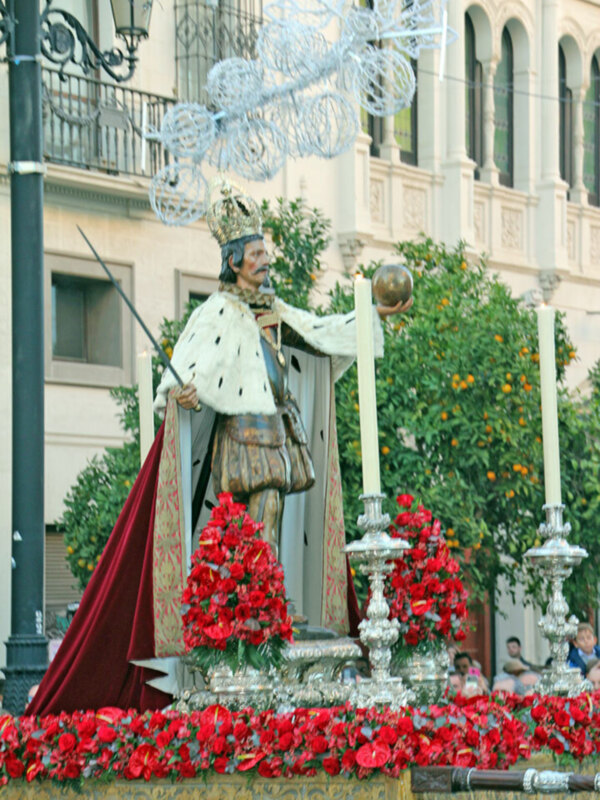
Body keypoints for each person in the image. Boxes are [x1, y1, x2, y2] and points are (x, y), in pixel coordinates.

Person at [27, 180, 411, 716]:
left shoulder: (272, 309)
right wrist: (179, 393)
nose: (265, 261)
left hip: (280, 426)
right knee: (257, 511)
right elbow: (190, 369)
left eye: (264, 253)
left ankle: (272, 595)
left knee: (274, 504)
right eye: (255, 255)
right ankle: (258, 596)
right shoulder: (215, 313)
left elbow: (319, 334)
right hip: (241, 431)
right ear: (233, 262)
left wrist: (369, 319)